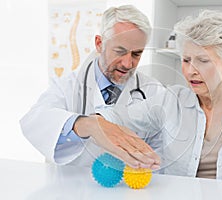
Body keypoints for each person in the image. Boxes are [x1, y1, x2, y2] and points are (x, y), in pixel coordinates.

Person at [95, 10, 222, 200]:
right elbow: (113, 118)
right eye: (186, 60)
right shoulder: (170, 100)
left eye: (203, 60)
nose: (191, 70)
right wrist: (93, 123)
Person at [20, 5, 162, 170]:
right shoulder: (69, 85)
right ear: (99, 43)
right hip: (73, 190)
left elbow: (165, 151)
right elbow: (34, 120)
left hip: (128, 192)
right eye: (120, 51)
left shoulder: (152, 90)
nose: (128, 63)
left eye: (136, 54)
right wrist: (88, 125)